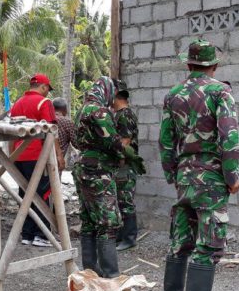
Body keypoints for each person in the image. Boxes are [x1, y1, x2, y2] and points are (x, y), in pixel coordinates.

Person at [159, 38, 239, 291]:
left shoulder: (173, 94)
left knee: (181, 239)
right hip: (211, 177)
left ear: (189, 63)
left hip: (185, 175)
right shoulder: (221, 93)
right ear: (214, 66)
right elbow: (229, 137)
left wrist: (172, 173)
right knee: (208, 242)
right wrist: (232, 177)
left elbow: (166, 140)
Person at [73, 76, 143, 278]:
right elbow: (114, 142)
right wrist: (124, 155)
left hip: (82, 166)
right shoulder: (100, 111)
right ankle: (111, 275)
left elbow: (78, 142)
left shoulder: (81, 110)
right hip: (98, 171)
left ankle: (90, 271)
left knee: (88, 220)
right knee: (108, 223)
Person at [10, 74, 64, 247]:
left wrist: (12, 155)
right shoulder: (44, 103)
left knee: (25, 194)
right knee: (41, 194)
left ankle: (27, 234)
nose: (48, 93)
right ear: (43, 87)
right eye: (47, 89)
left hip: (19, 154)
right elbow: (51, 131)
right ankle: (42, 234)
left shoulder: (17, 103)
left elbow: (12, 132)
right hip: (36, 155)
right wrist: (59, 154)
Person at [112, 80, 139, 251]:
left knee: (126, 200)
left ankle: (129, 238)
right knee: (121, 201)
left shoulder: (125, 115)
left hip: (125, 164)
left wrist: (116, 159)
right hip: (122, 164)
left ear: (116, 95)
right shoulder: (120, 114)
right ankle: (122, 235)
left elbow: (125, 140)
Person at [52, 97, 77, 170]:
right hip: (58, 160)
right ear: (65, 110)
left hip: (41, 158)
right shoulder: (67, 123)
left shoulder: (45, 119)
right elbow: (75, 143)